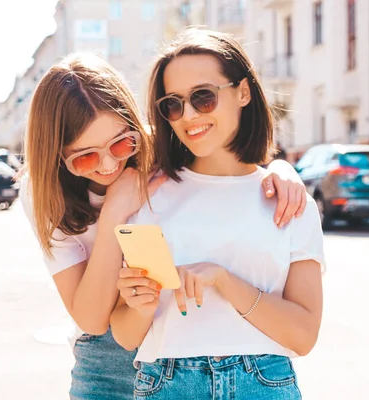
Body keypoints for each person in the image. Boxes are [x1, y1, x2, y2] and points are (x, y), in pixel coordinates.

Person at [19, 53, 309, 400]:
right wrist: (115, 210)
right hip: (105, 361)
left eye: (122, 143)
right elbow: (93, 319)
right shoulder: (42, 190)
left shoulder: (158, 149)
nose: (110, 164)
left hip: (180, 354)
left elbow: (233, 166)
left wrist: (281, 171)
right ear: (56, 155)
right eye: (86, 156)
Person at [110, 29, 324, 400]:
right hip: (165, 384)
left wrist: (224, 280)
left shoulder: (289, 200)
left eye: (203, 97)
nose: (188, 115)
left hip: (263, 383)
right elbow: (127, 336)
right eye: (173, 105)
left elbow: (303, 336)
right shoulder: (148, 196)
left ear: (243, 92)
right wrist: (138, 305)